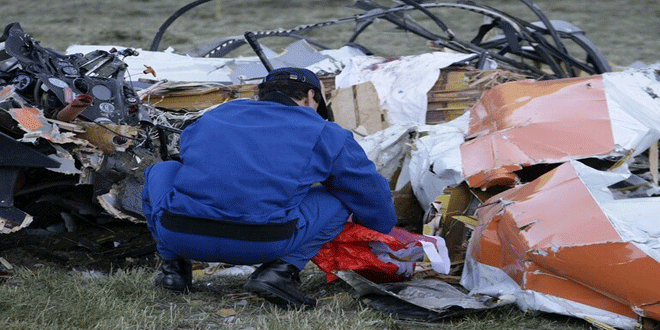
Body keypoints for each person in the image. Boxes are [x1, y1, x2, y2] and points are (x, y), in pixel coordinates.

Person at [141, 67, 397, 309]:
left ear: (260, 94)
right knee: (339, 199)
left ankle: (173, 271)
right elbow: (368, 192)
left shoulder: (217, 115)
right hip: (262, 245)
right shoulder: (326, 132)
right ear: (311, 96)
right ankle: (281, 272)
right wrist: (380, 234)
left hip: (182, 235)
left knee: (161, 170)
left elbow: (187, 154)